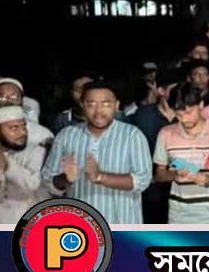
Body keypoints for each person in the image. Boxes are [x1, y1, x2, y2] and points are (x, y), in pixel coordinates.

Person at [42, 81, 152, 224]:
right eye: (91, 105)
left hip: (122, 224)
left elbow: (143, 180)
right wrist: (65, 179)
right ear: (82, 105)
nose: (98, 111)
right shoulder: (66, 135)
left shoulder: (132, 135)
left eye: (106, 104)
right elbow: (47, 180)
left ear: (116, 106)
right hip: (80, 227)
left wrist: (101, 177)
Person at [153, 83, 209, 224]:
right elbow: (159, 174)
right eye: (179, 115)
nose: (184, 119)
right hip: (179, 217)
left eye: (189, 113)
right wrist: (174, 175)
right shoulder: (165, 134)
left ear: (201, 105)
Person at [127, 72, 180, 224]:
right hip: (151, 190)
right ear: (161, 91)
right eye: (174, 89)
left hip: (181, 188)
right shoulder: (143, 116)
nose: (179, 93)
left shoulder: (187, 116)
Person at [0, 106, 46, 223]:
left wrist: (8, 165)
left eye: (24, 126)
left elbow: (33, 184)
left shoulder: (36, 151)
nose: (23, 132)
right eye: (14, 128)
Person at [0, 78, 54, 147]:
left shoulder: (41, 134)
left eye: (13, 96)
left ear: (22, 101)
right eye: (2, 97)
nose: (8, 100)